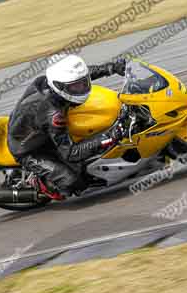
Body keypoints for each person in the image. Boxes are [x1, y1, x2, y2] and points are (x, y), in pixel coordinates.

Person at [7, 54, 128, 199]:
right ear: (59, 86)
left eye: (83, 84)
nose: (82, 88)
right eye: (77, 87)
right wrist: (107, 138)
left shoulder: (54, 82)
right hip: (28, 148)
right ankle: (41, 184)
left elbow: (82, 75)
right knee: (74, 182)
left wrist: (112, 68)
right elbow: (71, 153)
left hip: (32, 124)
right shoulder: (54, 115)